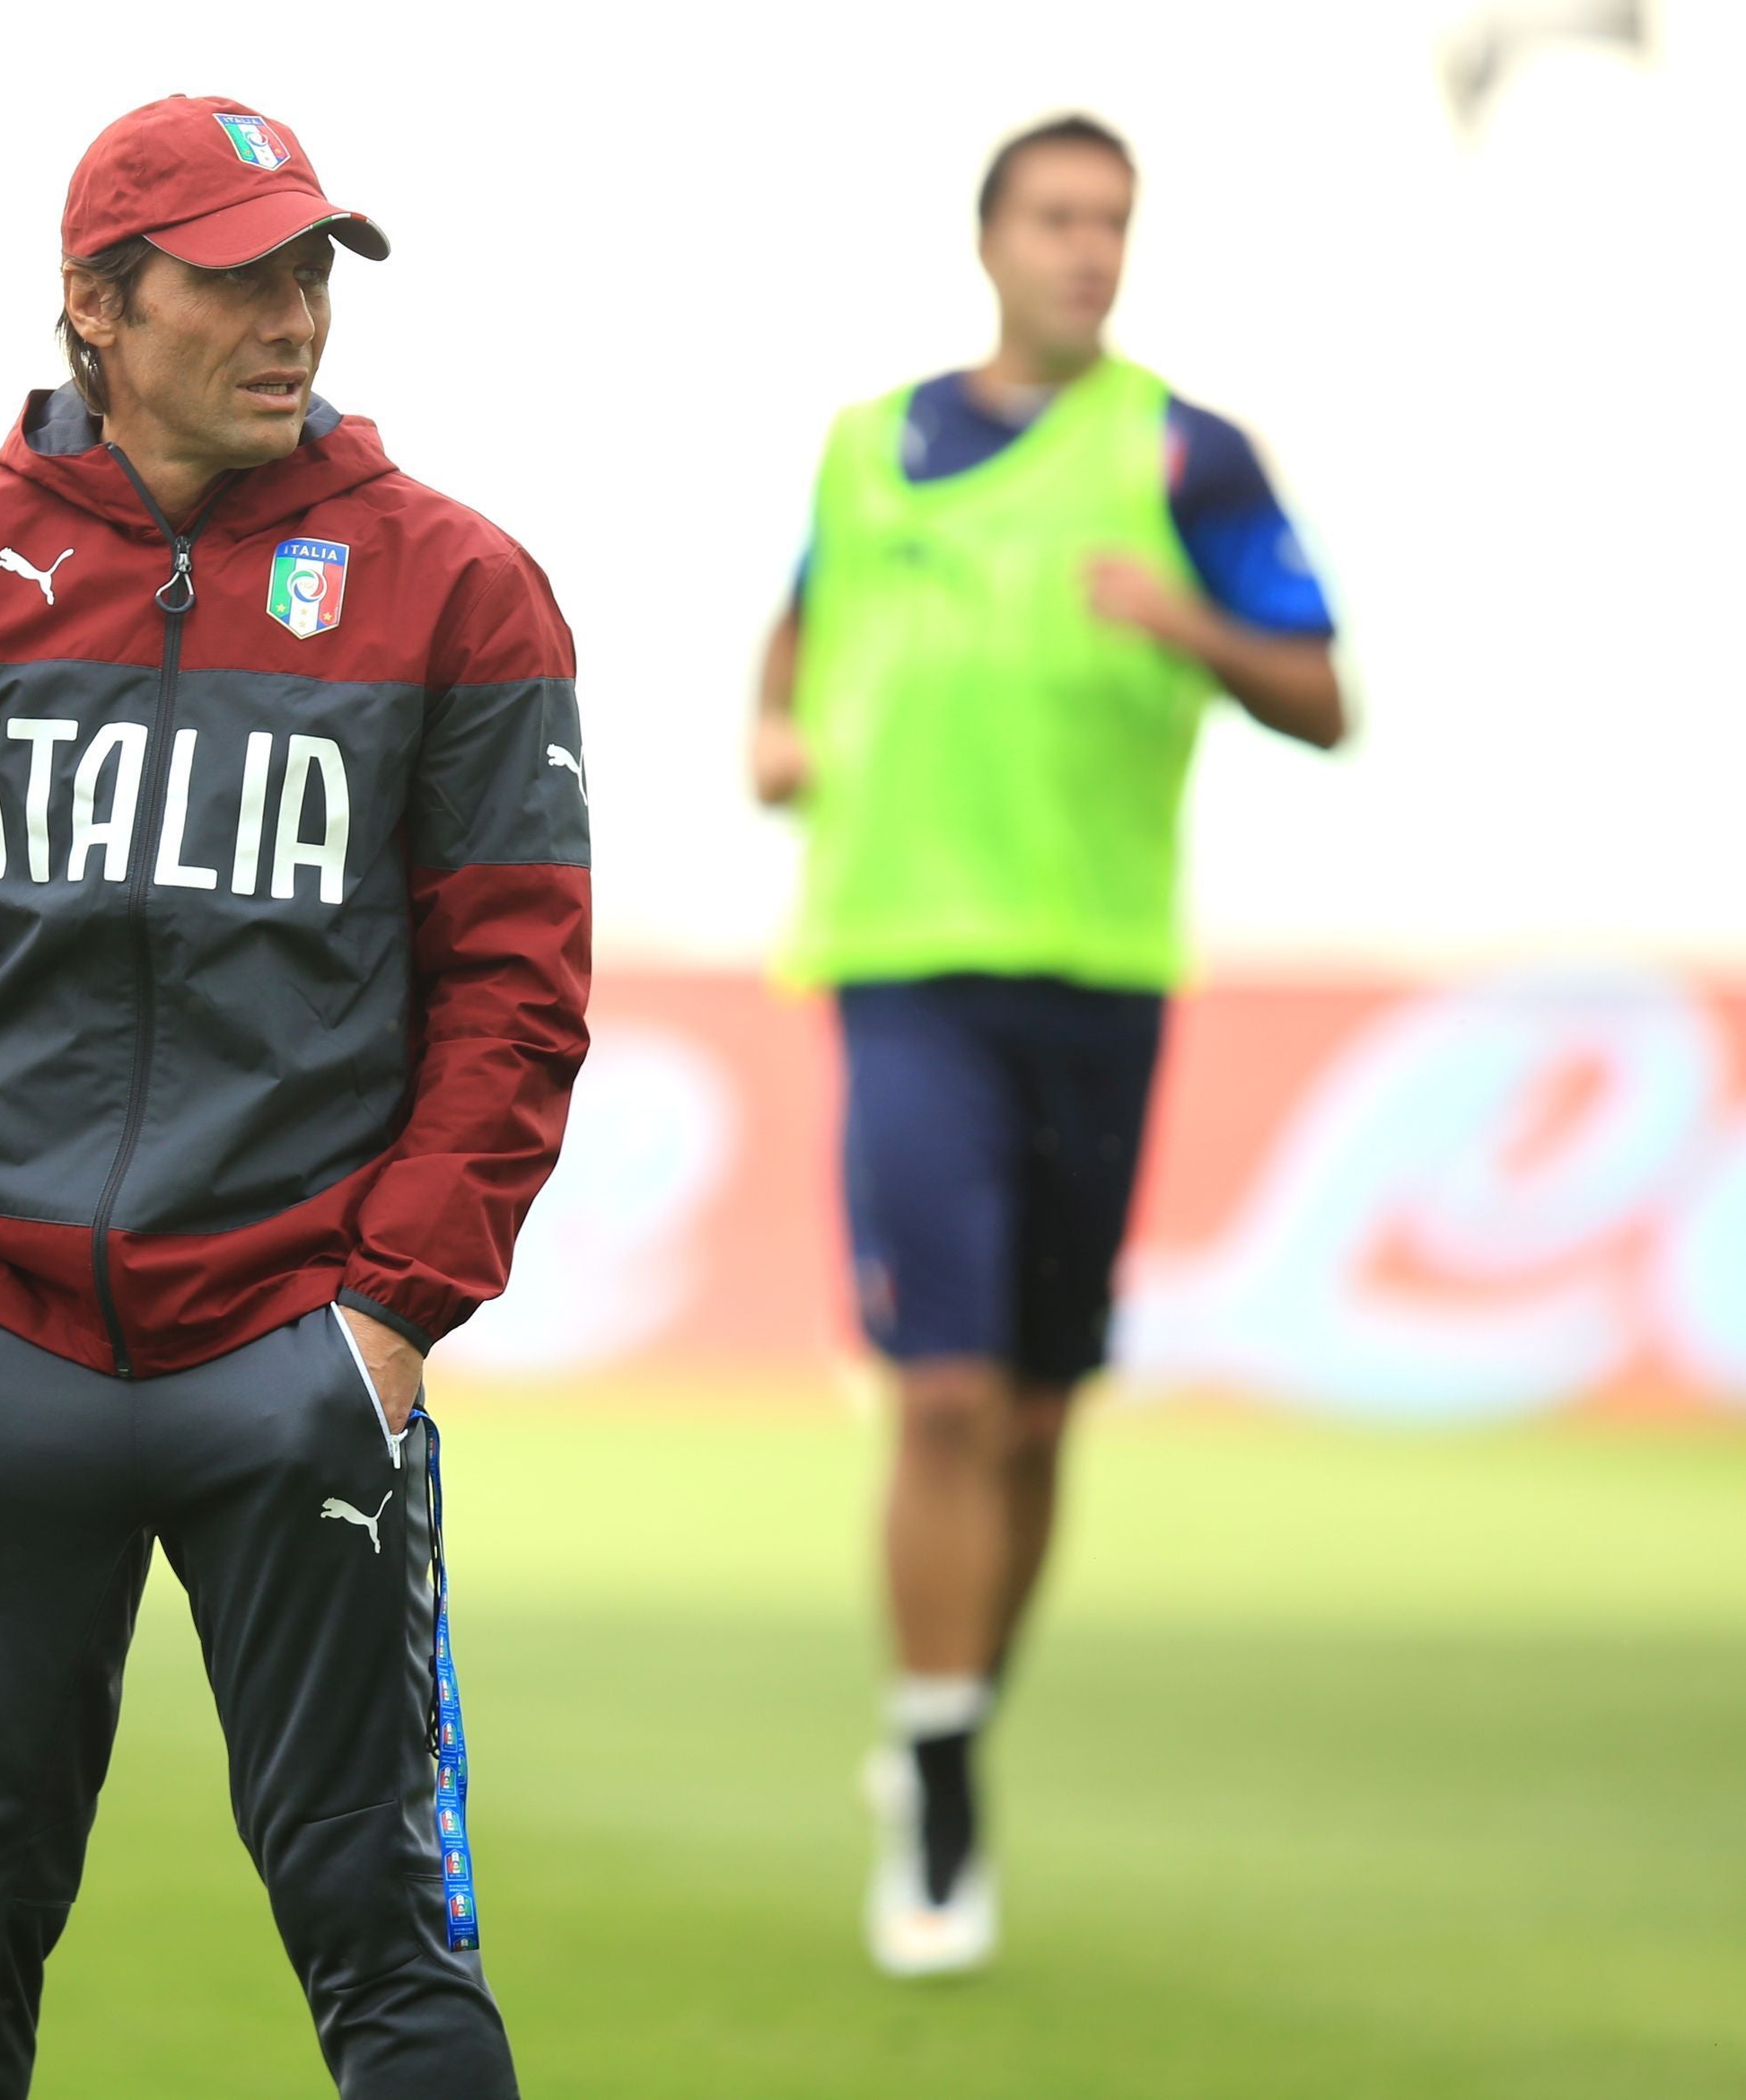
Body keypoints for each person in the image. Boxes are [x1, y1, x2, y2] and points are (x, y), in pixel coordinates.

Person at [0, 94, 591, 2100]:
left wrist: (385, 1320)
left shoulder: (462, 589)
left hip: (294, 1360)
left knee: (388, 1952)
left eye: (310, 267)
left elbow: (517, 996)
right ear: (95, 307)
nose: (291, 312)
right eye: (235, 273)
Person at [750, 112, 1347, 1978]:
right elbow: (787, 653)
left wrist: (1188, 620)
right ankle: (937, 1786)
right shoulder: (865, 449)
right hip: (904, 959)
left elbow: (1323, 692)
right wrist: (772, 742)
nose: (1087, 250)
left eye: (1113, 222)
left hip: (1098, 971)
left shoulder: (1186, 454)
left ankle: (949, 1709)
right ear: (989, 238)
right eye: (1056, 219)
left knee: (1032, 1409)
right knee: (939, 1387)